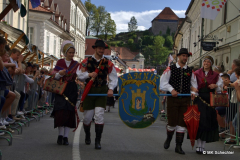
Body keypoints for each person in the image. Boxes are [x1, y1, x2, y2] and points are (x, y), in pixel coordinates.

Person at [77, 39, 118, 149]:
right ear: (95, 48)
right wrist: (89, 74)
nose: (101, 50)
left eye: (103, 49)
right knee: (87, 118)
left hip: (101, 91)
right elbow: (79, 75)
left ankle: (97, 141)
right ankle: (87, 135)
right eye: (99, 48)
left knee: (99, 115)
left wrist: (110, 89)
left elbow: (114, 77)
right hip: (89, 91)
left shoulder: (108, 63)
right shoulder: (86, 61)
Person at [160, 48, 197, 155]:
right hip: (172, 99)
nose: (185, 58)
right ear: (179, 56)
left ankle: (178, 146)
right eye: (183, 56)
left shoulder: (190, 71)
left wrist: (194, 91)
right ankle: (169, 139)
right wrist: (171, 90)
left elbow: (194, 84)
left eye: (186, 56)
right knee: (172, 123)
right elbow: (163, 83)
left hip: (185, 99)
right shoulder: (170, 69)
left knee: (182, 123)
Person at [193, 56, 223, 154]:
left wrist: (216, 86)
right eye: (205, 61)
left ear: (211, 64)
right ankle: (198, 145)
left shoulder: (215, 75)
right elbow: (193, 85)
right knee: (199, 122)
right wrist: (193, 91)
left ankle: (203, 146)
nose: (206, 63)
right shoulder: (197, 73)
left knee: (207, 122)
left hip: (210, 100)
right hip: (199, 99)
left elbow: (220, 87)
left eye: (208, 62)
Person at [52, 40, 79, 145]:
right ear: (65, 52)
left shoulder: (76, 64)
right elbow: (55, 76)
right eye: (70, 52)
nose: (71, 55)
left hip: (71, 89)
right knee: (60, 111)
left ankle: (66, 137)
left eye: (73, 53)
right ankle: (60, 135)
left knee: (69, 112)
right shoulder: (60, 62)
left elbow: (79, 75)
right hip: (61, 88)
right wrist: (60, 73)